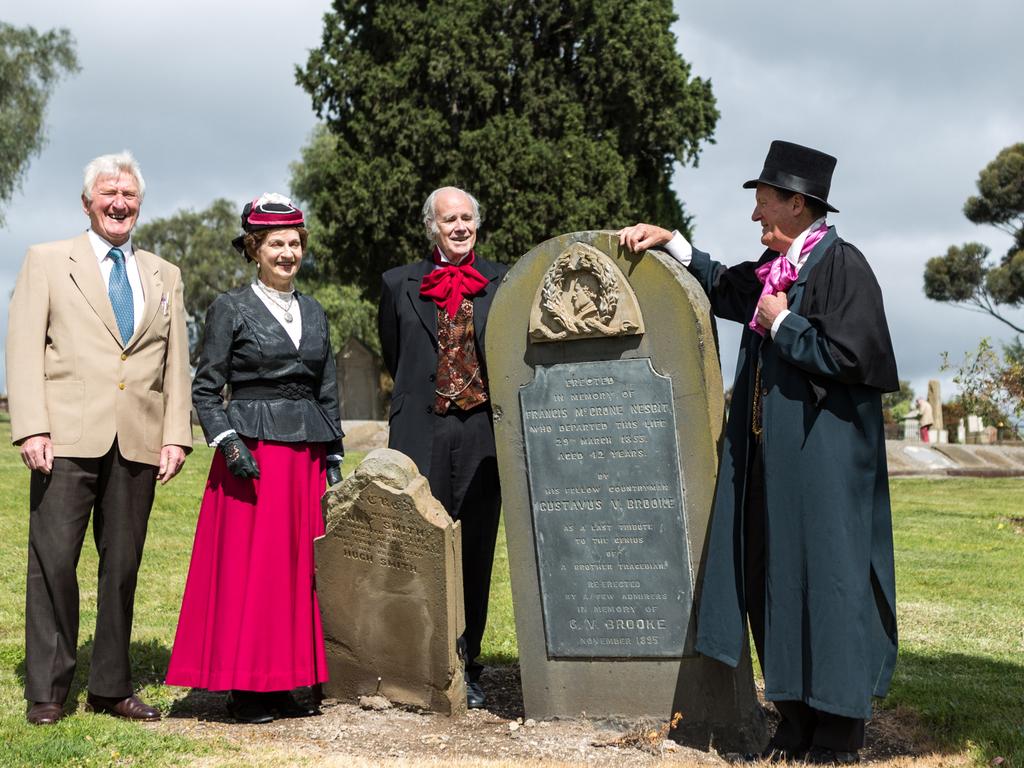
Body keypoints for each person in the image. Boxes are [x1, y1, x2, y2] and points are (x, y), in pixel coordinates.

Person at [619, 141, 899, 765]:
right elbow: (724, 285)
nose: (756, 215)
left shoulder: (843, 267)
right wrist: (671, 243)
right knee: (774, 583)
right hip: (772, 469)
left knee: (827, 586)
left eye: (764, 202)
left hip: (824, 469)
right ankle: (795, 721)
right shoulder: (779, 270)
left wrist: (784, 325)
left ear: (798, 204)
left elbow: (857, 359)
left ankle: (836, 734)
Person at [6, 151, 192, 725]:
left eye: (129, 195)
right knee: (54, 561)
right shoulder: (46, 261)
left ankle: (110, 686)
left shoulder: (164, 274)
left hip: (136, 440)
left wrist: (176, 434)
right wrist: (32, 424)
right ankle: (48, 688)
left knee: (124, 566)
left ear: (140, 203)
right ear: (86, 202)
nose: (119, 203)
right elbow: (23, 346)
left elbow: (175, 361)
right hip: (62, 439)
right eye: (109, 194)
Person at [165, 194, 344, 724]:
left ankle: (286, 679)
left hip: (304, 460)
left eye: (294, 244)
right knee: (253, 573)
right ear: (254, 248)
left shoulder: (314, 311)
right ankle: (245, 688)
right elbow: (205, 390)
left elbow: (326, 389)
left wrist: (333, 456)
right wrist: (228, 442)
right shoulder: (230, 308)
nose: (287, 253)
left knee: (295, 572)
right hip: (253, 458)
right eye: (275, 244)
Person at [378, 186, 508, 709]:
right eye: (448, 219)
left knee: (475, 549)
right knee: (418, 545)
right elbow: (395, 354)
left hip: (482, 432)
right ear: (432, 227)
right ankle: (415, 661)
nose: (459, 227)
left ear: (477, 224)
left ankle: (467, 662)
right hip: (422, 431)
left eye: (467, 219)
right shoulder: (396, 283)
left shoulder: (503, 281)